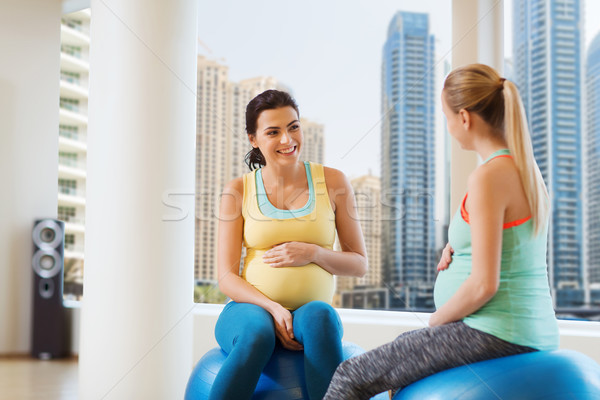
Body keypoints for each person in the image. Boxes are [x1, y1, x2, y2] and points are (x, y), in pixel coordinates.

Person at [323, 63, 560, 399]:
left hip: (495, 331)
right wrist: (458, 246)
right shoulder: (525, 169)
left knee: (351, 375)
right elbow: (511, 245)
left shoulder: (489, 176)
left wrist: (437, 320)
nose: (448, 127)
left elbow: (484, 285)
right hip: (525, 327)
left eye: (447, 117)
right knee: (403, 351)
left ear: (464, 118)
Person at [211, 89, 368, 400]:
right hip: (250, 310)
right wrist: (272, 308)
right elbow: (226, 277)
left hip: (310, 310)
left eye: (293, 127)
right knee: (258, 335)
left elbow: (358, 263)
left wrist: (313, 253)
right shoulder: (238, 190)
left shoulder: (334, 182)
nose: (287, 139)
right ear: (253, 139)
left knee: (321, 318)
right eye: (273, 132)